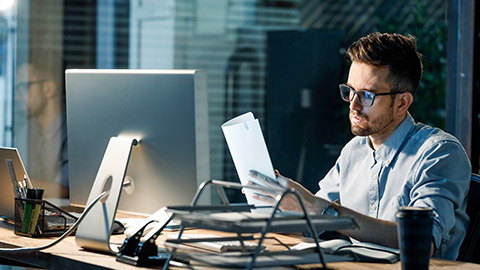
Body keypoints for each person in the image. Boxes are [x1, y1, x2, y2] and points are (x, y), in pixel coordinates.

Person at [249, 32, 471, 260]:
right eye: (350, 91)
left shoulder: (440, 153)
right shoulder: (353, 152)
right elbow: (308, 226)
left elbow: (422, 242)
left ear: (402, 103)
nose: (353, 105)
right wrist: (272, 208)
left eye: (366, 95)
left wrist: (322, 210)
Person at [15, 51, 69, 198]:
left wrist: (13, 182)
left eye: (23, 87)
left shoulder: (73, 131)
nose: (16, 96)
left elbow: (64, 190)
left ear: (48, 89)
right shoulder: (26, 131)